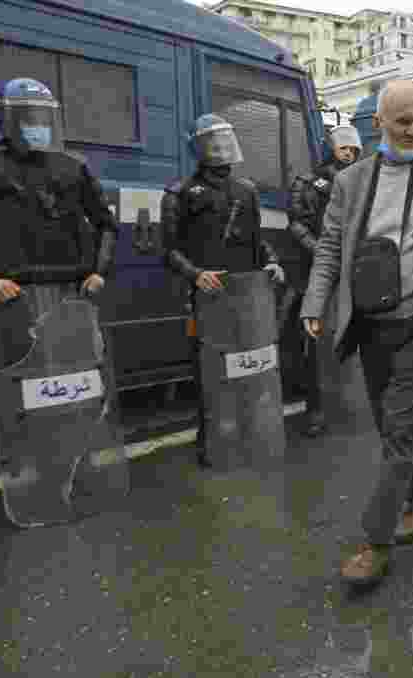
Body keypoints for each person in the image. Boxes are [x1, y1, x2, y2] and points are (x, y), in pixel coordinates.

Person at [300, 80, 413, 588]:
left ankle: (374, 543)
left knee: (398, 432)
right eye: (403, 121)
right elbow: (331, 247)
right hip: (370, 325)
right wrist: (315, 302)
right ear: (378, 122)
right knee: (389, 426)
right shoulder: (351, 181)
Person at [161, 113, 285, 468]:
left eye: (226, 139)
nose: (222, 147)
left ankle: (250, 435)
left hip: (247, 295)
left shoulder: (246, 190)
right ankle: (212, 441)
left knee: (248, 369)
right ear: (199, 149)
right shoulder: (180, 192)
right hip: (206, 298)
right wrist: (195, 274)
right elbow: (167, 250)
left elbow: (257, 241)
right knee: (209, 372)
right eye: (213, 141)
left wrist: (271, 262)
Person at [0, 77, 116, 304]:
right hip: (14, 295)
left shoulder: (73, 165)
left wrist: (99, 271)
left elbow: (106, 223)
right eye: (29, 119)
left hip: (74, 289)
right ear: (9, 120)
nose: (40, 126)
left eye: (45, 119)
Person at [287, 124, 363, 436]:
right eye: (344, 147)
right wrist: (324, 253)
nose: (349, 153)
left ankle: (347, 401)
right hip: (318, 272)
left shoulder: (361, 183)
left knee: (354, 336)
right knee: (315, 342)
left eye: (354, 149)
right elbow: (297, 225)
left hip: (353, 272)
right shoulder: (308, 182)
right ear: (330, 148)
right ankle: (315, 409)